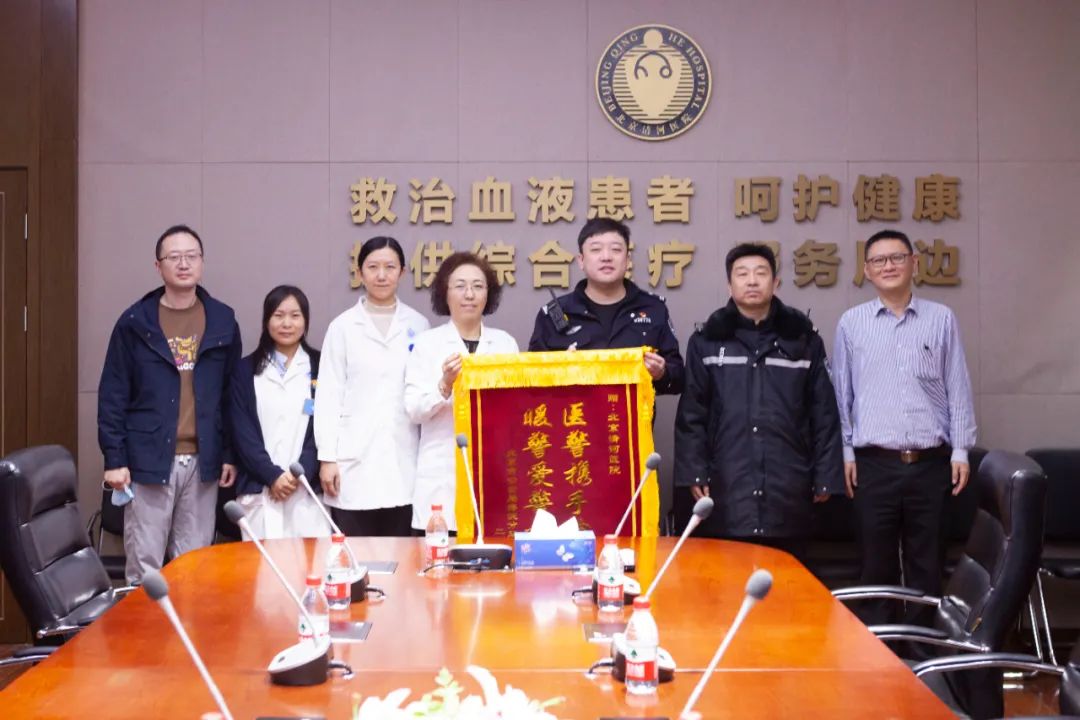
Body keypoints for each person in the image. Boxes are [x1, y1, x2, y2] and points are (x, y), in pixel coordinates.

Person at [832, 229, 976, 626]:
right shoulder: (851, 324)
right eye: (879, 260)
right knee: (874, 563)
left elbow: (957, 386)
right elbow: (841, 394)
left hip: (931, 463)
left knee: (927, 564)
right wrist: (845, 451)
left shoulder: (941, 319)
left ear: (914, 263)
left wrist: (961, 449)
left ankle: (922, 647)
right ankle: (879, 644)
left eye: (897, 257)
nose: (889, 266)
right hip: (872, 464)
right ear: (867, 270)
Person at [674, 244, 844, 553]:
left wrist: (825, 477)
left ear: (775, 282)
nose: (752, 281)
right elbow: (692, 415)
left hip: (789, 483)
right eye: (742, 274)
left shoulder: (803, 340)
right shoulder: (707, 342)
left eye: (760, 273)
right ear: (730, 285)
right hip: (727, 482)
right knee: (728, 574)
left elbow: (824, 413)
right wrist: (694, 472)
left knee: (789, 576)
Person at [98, 224, 241, 584]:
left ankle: (186, 624)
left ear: (202, 262)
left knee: (195, 564)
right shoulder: (135, 322)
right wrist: (114, 459)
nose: (183, 264)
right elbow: (113, 394)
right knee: (144, 565)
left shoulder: (223, 319)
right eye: (174, 257)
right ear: (158, 266)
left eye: (191, 256)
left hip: (204, 461)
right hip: (148, 460)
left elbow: (231, 394)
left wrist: (228, 453)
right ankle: (143, 624)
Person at [314, 237, 430, 536]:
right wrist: (327, 458)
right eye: (373, 267)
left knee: (403, 551)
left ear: (402, 272)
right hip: (353, 463)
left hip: (404, 459)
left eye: (390, 267)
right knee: (355, 550)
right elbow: (328, 397)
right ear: (360, 273)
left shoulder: (419, 325)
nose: (381, 275)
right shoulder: (342, 327)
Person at [404, 252, 518, 534]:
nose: (469, 294)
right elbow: (414, 409)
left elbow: (517, 407)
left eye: (478, 286)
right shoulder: (427, 344)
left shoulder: (504, 343)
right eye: (460, 286)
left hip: (494, 470)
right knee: (441, 552)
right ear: (445, 292)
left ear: (488, 294)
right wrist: (444, 384)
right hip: (442, 472)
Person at [527, 217, 683, 395]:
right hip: (573, 412)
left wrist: (661, 373)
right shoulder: (554, 314)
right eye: (596, 249)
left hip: (634, 413)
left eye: (616, 249)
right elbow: (530, 381)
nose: (606, 257)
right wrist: (560, 372)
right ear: (581, 260)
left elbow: (678, 379)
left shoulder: (653, 308)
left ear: (627, 259)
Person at [229, 285, 329, 539]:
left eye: (295, 316)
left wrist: (300, 473)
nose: (287, 324)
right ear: (266, 320)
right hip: (260, 488)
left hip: (306, 490)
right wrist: (272, 475)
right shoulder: (244, 370)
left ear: (306, 321)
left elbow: (326, 425)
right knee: (261, 562)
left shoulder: (322, 366)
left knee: (311, 561)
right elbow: (242, 431)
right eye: (278, 315)